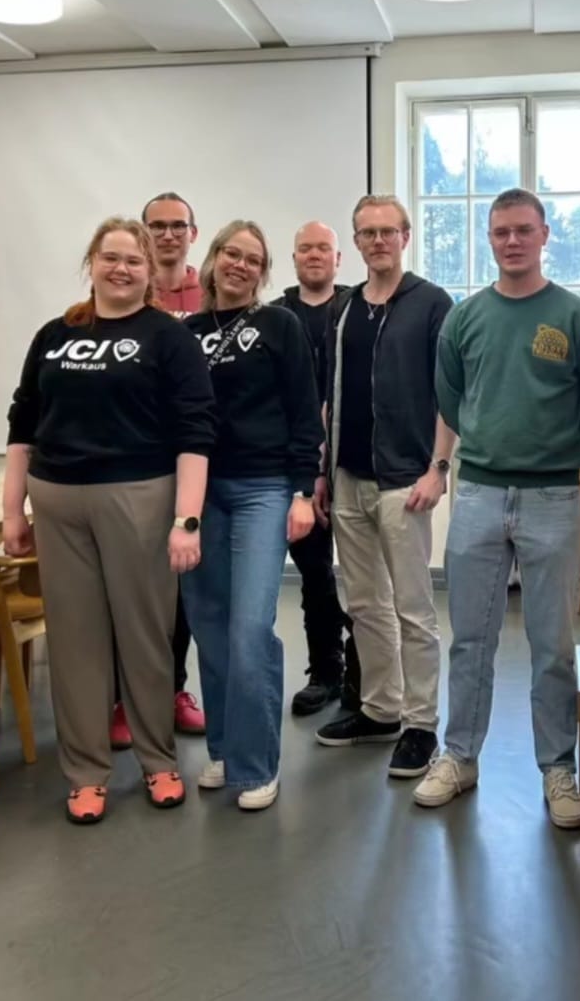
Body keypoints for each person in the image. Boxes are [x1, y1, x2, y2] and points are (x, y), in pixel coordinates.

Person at [414, 187, 580, 827]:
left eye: (523, 230)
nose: (512, 241)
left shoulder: (576, 318)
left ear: (543, 235)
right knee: (470, 639)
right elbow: (450, 397)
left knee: (553, 644)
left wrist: (561, 449)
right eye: (501, 231)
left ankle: (558, 768)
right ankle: (459, 756)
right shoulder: (465, 319)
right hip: (478, 493)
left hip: (553, 498)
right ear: (489, 237)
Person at [3, 217, 216, 825]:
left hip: (139, 498)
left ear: (150, 272)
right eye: (110, 257)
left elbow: (196, 431)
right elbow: (23, 422)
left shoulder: (168, 337)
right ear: (91, 262)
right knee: (75, 641)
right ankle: (85, 773)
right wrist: (12, 509)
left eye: (133, 260)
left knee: (145, 636)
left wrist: (187, 519)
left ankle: (158, 761)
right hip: (57, 500)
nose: (121, 268)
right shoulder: (55, 334)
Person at [182, 219, 322, 811]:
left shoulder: (279, 325)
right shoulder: (186, 333)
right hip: (199, 494)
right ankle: (224, 749)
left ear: (263, 273)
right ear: (213, 259)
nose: (240, 265)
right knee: (210, 626)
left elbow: (304, 411)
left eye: (253, 259)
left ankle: (258, 763)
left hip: (263, 488)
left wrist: (302, 492)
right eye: (231, 254)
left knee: (249, 629)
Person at [315, 195, 455, 780]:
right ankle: (380, 710)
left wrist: (438, 468)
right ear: (356, 242)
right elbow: (332, 395)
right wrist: (323, 470)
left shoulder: (431, 303)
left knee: (414, 609)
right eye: (367, 233)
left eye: (387, 232)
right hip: (348, 479)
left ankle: (421, 724)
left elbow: (450, 393)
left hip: (405, 481)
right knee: (365, 604)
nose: (378, 241)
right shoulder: (345, 308)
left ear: (405, 237)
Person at [109, 192, 207, 752]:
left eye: (177, 225)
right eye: (157, 226)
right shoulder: (124, 296)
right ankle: (125, 699)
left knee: (181, 591)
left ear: (193, 232)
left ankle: (172, 690)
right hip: (134, 464)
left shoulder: (211, 293)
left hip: (194, 463)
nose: (168, 235)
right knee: (129, 591)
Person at [272, 221, 357, 716]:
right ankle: (326, 672)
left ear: (337, 258)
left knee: (369, 580)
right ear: (294, 258)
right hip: (297, 466)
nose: (314, 255)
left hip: (355, 463)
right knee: (315, 571)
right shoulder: (275, 315)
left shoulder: (355, 308)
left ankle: (364, 670)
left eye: (323, 247)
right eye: (305, 248)